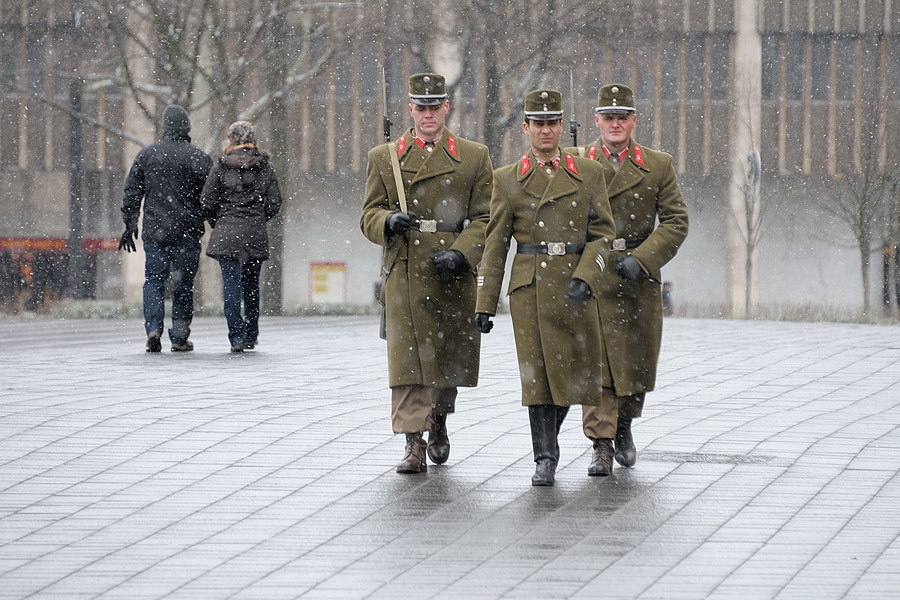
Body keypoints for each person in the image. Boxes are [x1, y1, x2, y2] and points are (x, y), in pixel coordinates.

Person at [475, 89, 617, 487]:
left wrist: (587, 276)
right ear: (525, 128)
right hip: (531, 288)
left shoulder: (589, 174)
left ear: (561, 126)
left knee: (574, 377)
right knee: (537, 377)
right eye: (537, 124)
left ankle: (549, 444)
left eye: (552, 123)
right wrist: (484, 303)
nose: (545, 131)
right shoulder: (507, 180)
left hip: (575, 284)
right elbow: (495, 243)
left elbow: (603, 233)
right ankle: (545, 457)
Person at [360, 73, 493, 474]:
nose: (428, 114)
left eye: (435, 107)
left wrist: (462, 252)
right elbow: (367, 215)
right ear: (410, 110)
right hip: (405, 271)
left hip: (451, 272)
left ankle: (439, 419)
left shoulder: (473, 156)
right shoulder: (384, 158)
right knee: (406, 362)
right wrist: (387, 221)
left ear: (446, 108)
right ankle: (412, 441)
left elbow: (486, 217)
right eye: (421, 107)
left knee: (445, 358)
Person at [569, 84, 689, 475]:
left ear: (634, 121)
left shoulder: (657, 165)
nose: (616, 124)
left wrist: (644, 258)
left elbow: (675, 220)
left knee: (634, 365)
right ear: (597, 121)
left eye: (623, 117)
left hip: (637, 278)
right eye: (608, 117)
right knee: (597, 363)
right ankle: (601, 442)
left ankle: (624, 425)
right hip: (594, 271)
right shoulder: (577, 161)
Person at [119, 105, 212, 352]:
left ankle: (153, 328)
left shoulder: (147, 155)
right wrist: (211, 221)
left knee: (154, 282)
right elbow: (211, 196)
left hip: (155, 232)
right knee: (183, 285)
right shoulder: (198, 157)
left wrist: (130, 223)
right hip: (187, 232)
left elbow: (132, 192)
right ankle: (180, 337)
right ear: (187, 128)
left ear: (165, 127)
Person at [201, 121, 283, 352]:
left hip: (227, 233)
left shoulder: (221, 166)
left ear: (230, 140)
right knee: (251, 285)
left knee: (231, 285)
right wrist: (258, 217)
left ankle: (236, 336)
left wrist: (221, 222)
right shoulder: (265, 167)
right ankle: (251, 334)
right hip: (254, 234)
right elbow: (275, 202)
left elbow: (207, 201)